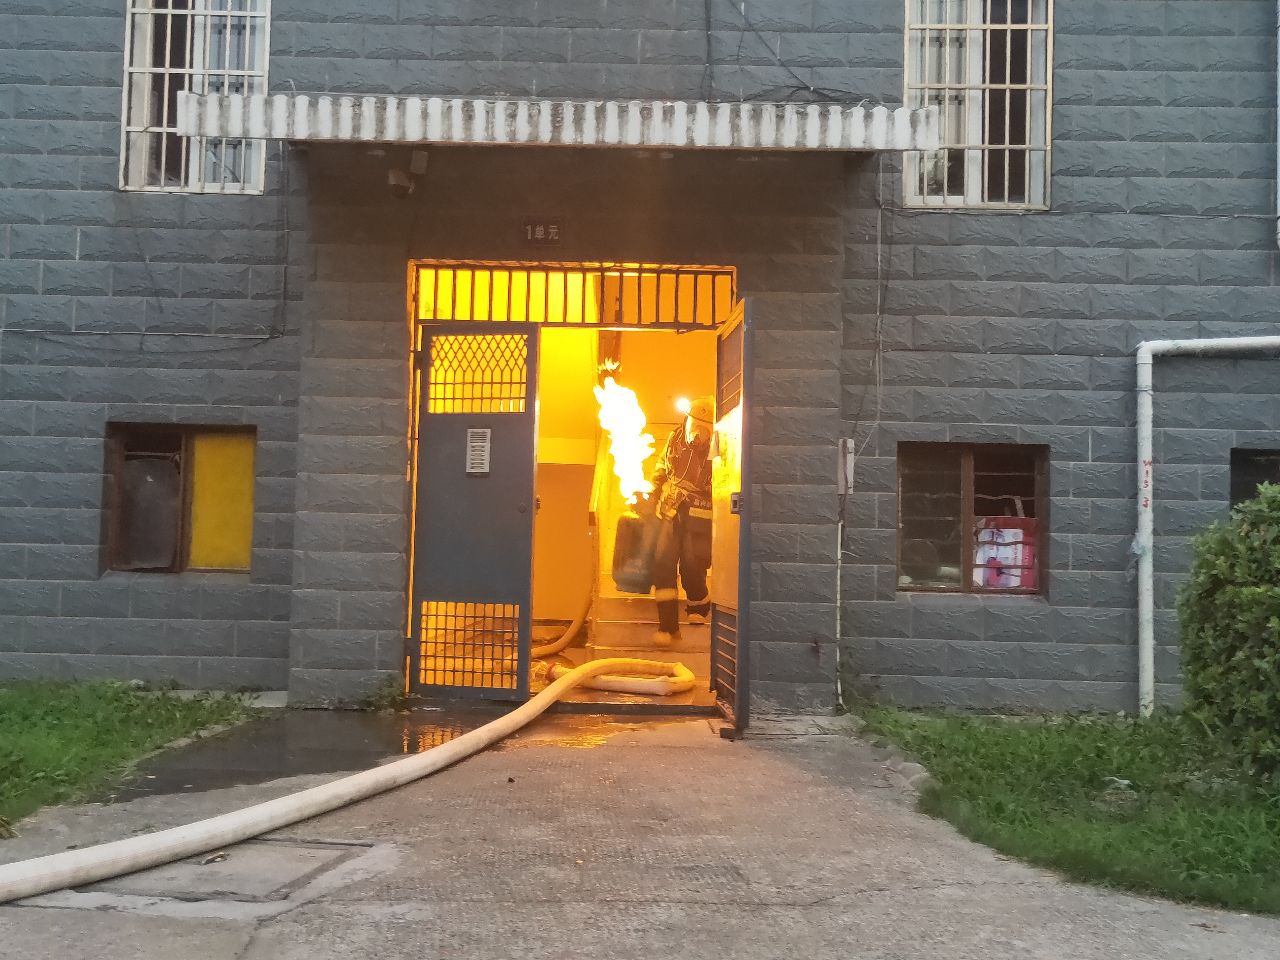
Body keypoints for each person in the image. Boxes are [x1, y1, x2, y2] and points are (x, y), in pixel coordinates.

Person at [648, 396, 714, 647]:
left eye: (703, 428)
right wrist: (651, 493)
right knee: (663, 562)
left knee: (692, 564)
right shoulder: (674, 438)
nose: (697, 433)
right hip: (671, 509)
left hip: (699, 514)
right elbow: (661, 468)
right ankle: (667, 627)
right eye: (694, 425)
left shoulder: (719, 448)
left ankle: (699, 605)